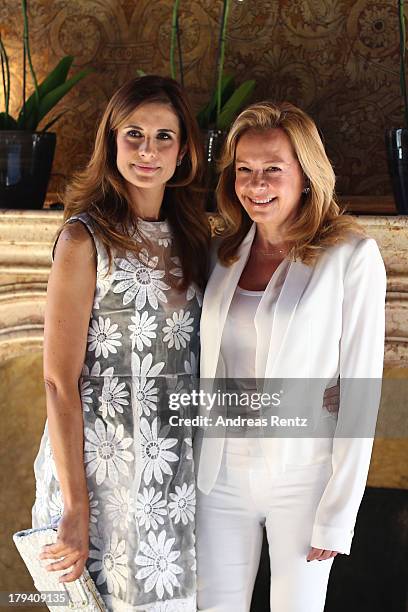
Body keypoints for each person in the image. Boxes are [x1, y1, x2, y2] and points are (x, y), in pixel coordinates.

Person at [195, 101, 386, 611]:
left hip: (304, 478)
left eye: (273, 170)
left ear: (306, 174)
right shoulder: (221, 253)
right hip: (218, 477)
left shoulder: (351, 256)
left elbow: (362, 392)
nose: (256, 185)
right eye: (245, 171)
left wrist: (340, 510)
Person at [31, 75, 210, 612]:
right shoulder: (84, 238)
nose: (147, 151)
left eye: (163, 137)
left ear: (183, 153)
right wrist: (76, 507)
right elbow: (59, 382)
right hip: (99, 472)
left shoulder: (197, 239)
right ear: (110, 142)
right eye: (133, 134)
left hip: (173, 473)